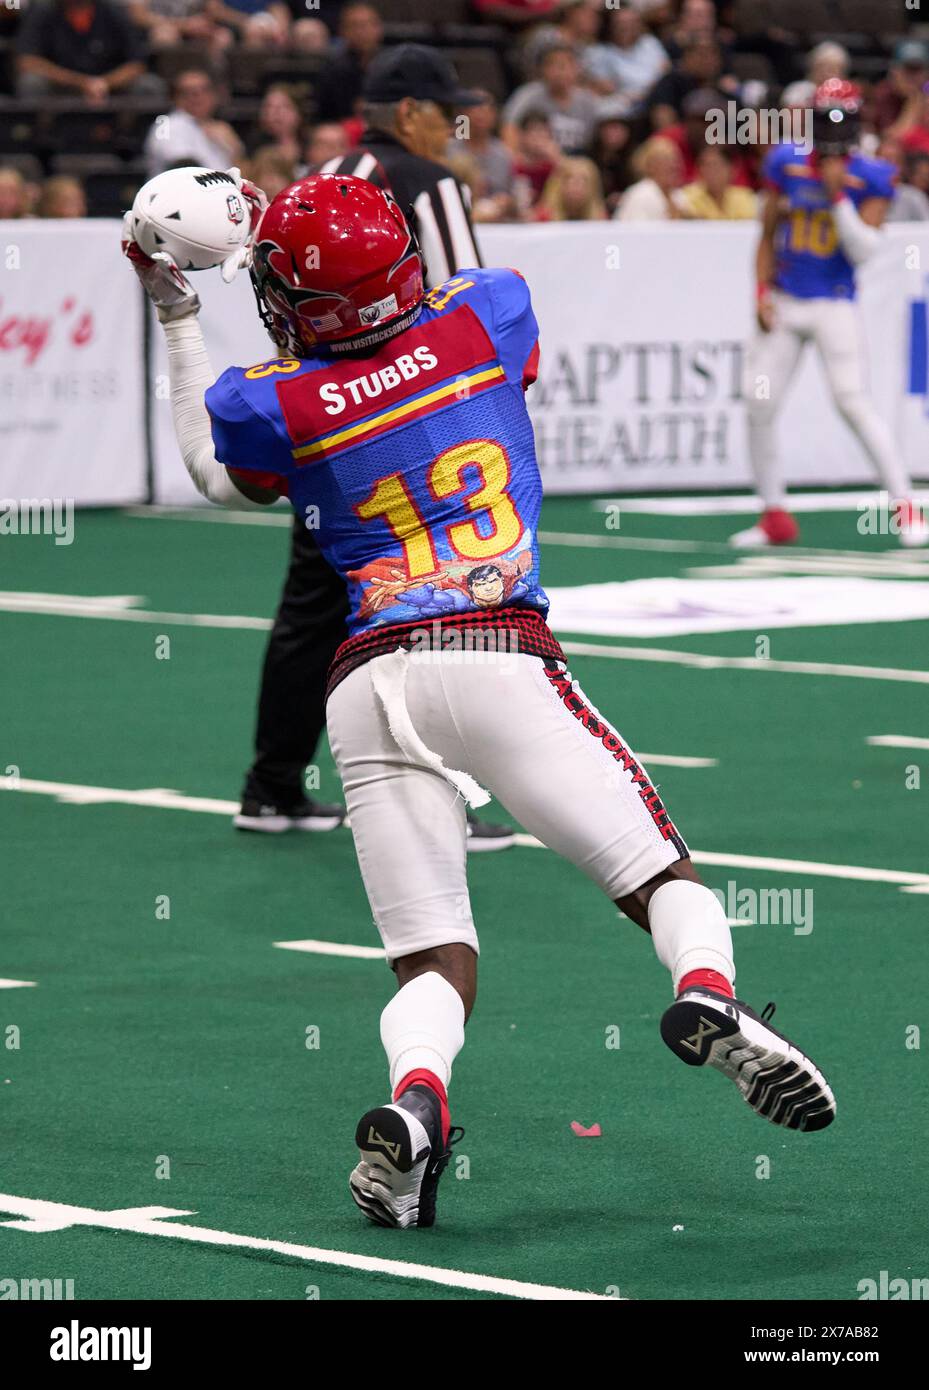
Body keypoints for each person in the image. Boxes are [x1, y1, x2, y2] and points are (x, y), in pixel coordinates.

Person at [125, 173, 837, 1230]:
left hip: (364, 681)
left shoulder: (268, 401)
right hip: (496, 652)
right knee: (657, 875)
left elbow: (206, 465)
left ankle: (416, 1106)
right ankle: (705, 988)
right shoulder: (488, 315)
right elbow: (437, 293)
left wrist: (180, 309)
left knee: (431, 955)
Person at [238, 44, 512, 849]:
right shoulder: (426, 186)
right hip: (410, 431)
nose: (451, 131)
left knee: (313, 607)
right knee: (432, 607)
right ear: (408, 114)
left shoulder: (323, 176)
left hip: (323, 426)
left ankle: (273, 785)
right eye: (442, 113)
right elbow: (466, 311)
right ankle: (436, 806)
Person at [738, 79, 928, 548]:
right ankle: (774, 515)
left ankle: (905, 506)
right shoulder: (785, 161)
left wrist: (838, 194)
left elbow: (864, 250)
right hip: (785, 299)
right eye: (826, 120)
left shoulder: (873, 174)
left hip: (834, 301)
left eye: (840, 120)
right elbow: (767, 232)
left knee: (852, 402)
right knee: (758, 403)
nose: (832, 131)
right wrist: (760, 290)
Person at [16, 0, 163, 102]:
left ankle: (140, 140)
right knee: (31, 82)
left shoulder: (114, 11)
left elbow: (137, 63)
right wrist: (81, 83)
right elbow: (27, 62)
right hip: (60, 84)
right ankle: (36, 141)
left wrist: (104, 83)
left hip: (110, 85)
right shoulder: (42, 10)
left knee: (148, 85)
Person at [501, 42, 603, 154]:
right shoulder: (528, 95)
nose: (561, 72)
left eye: (566, 65)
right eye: (553, 65)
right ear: (542, 70)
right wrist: (515, 159)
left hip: (577, 164)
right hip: (536, 162)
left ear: (577, 69)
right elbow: (509, 129)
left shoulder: (587, 101)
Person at [144, 69, 243, 177]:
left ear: (215, 95)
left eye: (204, 90)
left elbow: (242, 173)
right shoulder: (166, 124)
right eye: (187, 92)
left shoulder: (221, 128)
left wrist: (234, 148)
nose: (197, 96)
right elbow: (184, 169)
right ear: (174, 97)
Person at [584, 4, 669, 103]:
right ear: (610, 26)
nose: (627, 27)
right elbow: (606, 88)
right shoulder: (598, 52)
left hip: (656, 99)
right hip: (623, 106)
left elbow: (665, 70)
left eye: (632, 22)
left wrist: (651, 93)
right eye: (621, 23)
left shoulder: (649, 42)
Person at [677, 144, 757, 219]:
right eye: (707, 166)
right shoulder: (686, 196)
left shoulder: (744, 197)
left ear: (731, 169)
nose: (712, 172)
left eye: (716, 165)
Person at [613, 135, 684, 220]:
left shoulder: (679, 196)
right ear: (649, 166)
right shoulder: (640, 195)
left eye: (676, 160)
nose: (674, 166)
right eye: (666, 160)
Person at [535, 155, 606, 220]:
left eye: (584, 181)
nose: (577, 187)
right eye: (570, 180)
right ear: (558, 185)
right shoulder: (543, 216)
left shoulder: (600, 217)